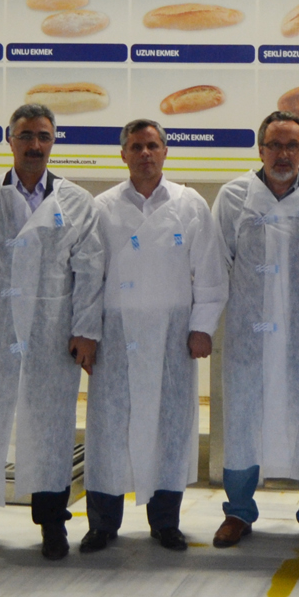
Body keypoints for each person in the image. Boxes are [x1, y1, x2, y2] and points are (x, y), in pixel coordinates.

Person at [0, 103, 107, 562]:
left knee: (51, 428)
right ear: (9, 139)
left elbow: (90, 273)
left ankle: (52, 524)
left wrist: (86, 331)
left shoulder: (77, 202)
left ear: (54, 142)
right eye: (26, 135)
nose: (35, 145)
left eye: (44, 136)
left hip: (52, 336)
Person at [83, 118, 227, 552]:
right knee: (109, 430)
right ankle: (102, 524)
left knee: (170, 428)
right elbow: (89, 278)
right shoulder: (102, 207)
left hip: (172, 336)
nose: (145, 153)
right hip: (116, 335)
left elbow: (211, 273)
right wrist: (86, 331)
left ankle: (165, 522)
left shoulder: (189, 203)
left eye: (152, 145)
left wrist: (202, 327)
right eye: (136, 146)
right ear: (122, 154)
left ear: (165, 151)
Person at [212, 111, 299, 550]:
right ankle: (238, 511)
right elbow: (215, 267)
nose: (283, 154)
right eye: (274, 145)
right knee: (243, 423)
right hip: (248, 338)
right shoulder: (233, 197)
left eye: (292, 145)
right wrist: (203, 326)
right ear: (260, 149)